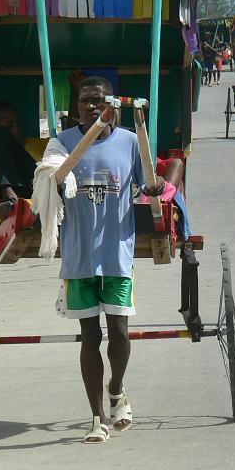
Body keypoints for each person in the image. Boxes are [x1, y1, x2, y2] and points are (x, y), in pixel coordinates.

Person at [50, 75, 165, 444]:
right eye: (84, 101)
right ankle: (97, 417)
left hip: (116, 253)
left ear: (112, 104)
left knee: (118, 331)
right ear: (76, 106)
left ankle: (117, 389)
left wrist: (155, 187)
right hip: (78, 255)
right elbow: (48, 182)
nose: (90, 106)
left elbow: (150, 183)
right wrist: (53, 178)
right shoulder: (61, 143)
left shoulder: (131, 142)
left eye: (98, 100)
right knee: (88, 336)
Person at [0, 101, 38, 218]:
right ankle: (7, 192)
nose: (17, 130)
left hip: (40, 185)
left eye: (18, 125)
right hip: (19, 193)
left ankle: (9, 195)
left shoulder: (35, 144)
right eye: (10, 126)